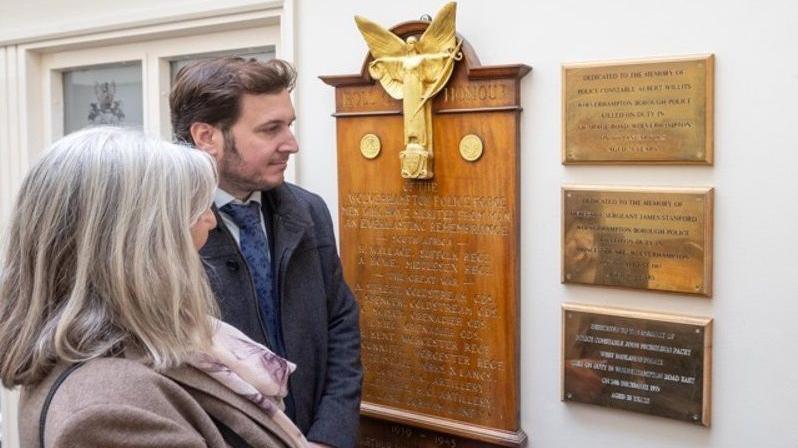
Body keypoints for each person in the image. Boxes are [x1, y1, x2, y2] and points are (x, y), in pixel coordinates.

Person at [0, 127, 308, 447]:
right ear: (135, 245)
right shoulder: (106, 411)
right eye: (192, 210)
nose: (211, 221)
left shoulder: (143, 351)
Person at [169, 57, 362, 448]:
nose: (291, 143)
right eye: (271, 129)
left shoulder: (309, 212)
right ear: (207, 136)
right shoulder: (162, 232)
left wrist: (330, 435)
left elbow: (341, 324)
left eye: (288, 125)